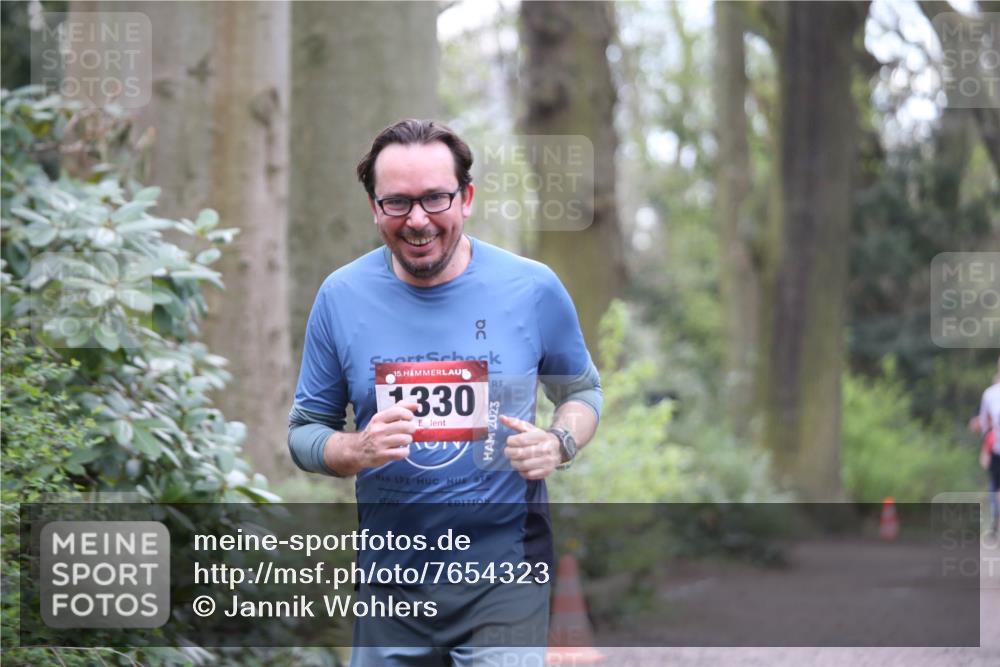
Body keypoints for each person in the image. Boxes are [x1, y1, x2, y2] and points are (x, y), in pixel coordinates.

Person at [287, 119, 602, 666]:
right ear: (374, 207)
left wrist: (558, 443)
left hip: (505, 576)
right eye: (397, 203)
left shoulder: (530, 288)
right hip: (391, 585)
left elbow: (582, 391)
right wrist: (355, 449)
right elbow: (303, 432)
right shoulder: (341, 297)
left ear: (467, 197)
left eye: (435, 199)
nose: (417, 220)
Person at [973, 358, 1000, 535]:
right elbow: (984, 425)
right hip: (997, 450)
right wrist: (985, 449)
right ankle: (996, 523)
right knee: (996, 488)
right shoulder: (991, 394)